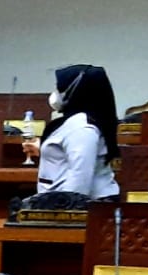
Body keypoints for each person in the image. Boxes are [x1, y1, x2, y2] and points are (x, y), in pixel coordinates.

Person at [22, 64, 121, 199]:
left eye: (59, 88)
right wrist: (45, 148)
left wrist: (64, 208)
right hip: (59, 199)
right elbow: (68, 151)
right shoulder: (76, 121)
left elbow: (79, 177)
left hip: (78, 205)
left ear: (78, 91)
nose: (56, 93)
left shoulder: (83, 128)